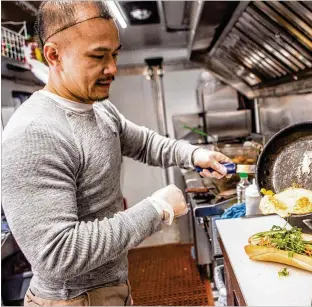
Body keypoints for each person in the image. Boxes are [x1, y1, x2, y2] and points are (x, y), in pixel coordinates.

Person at [1, 1, 232, 306]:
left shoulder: (98, 109)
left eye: (115, 54)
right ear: (54, 55)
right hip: (72, 300)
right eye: (98, 56)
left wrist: (193, 154)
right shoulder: (34, 133)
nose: (112, 68)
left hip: (112, 287)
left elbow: (146, 143)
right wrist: (156, 209)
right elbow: (57, 254)